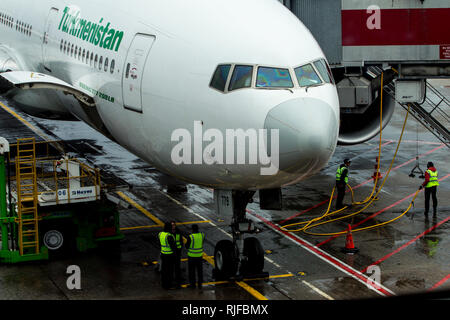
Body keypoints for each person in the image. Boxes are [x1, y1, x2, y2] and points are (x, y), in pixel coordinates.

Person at [158, 222, 177, 289]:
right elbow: (173, 247)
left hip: (163, 254)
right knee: (169, 271)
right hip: (169, 256)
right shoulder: (169, 236)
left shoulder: (160, 234)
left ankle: (164, 284)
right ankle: (169, 285)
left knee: (164, 270)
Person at [185, 224, 204, 288]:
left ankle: (192, 285)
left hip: (192, 256)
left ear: (192, 229)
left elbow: (187, 246)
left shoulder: (191, 237)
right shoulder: (202, 235)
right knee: (200, 270)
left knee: (192, 271)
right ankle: (200, 284)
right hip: (199, 256)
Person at [171, 221, 183, 288]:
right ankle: (172, 277)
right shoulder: (169, 233)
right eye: (172, 225)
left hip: (177, 251)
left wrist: (180, 248)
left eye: (174, 225)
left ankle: (178, 277)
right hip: (172, 252)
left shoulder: (178, 232)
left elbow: (181, 241)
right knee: (172, 265)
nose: (173, 226)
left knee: (177, 265)